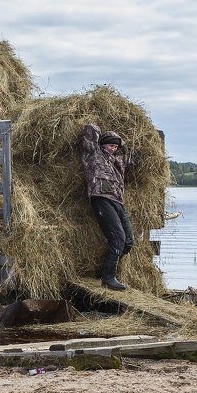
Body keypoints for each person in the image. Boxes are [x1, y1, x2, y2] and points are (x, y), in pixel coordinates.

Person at [81, 124, 135, 291]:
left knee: (128, 242)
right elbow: (90, 131)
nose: (114, 149)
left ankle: (104, 271)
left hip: (118, 201)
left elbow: (128, 156)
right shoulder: (93, 155)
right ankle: (108, 278)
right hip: (101, 200)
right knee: (117, 238)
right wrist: (100, 134)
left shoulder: (117, 161)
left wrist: (121, 143)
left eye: (116, 146)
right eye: (111, 145)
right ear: (102, 144)